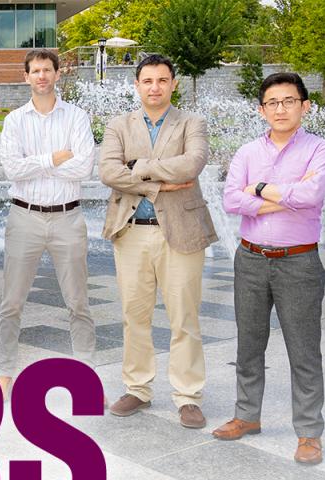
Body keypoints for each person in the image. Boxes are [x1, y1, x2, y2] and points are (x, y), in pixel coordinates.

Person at [216, 72, 325, 465]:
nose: (280, 109)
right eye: (272, 102)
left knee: (304, 350)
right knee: (249, 345)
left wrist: (261, 190)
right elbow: (231, 200)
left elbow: (312, 193)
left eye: (289, 101)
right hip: (250, 258)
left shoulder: (321, 150)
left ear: (305, 106)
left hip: (299, 262)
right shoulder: (248, 152)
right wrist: (285, 196)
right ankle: (247, 415)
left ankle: (308, 433)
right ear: (261, 109)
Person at [98, 54, 217, 429]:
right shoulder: (119, 125)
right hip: (131, 231)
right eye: (147, 81)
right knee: (135, 317)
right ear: (137, 85)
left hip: (180, 233)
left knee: (185, 318)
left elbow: (192, 163)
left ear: (173, 83)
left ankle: (188, 396)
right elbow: (108, 171)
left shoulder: (191, 123)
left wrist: (141, 168)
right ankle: (138, 388)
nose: (155, 87)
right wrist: (162, 182)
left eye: (162, 80)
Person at [0, 49, 97, 400]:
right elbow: (12, 169)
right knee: (11, 302)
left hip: (68, 218)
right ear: (26, 77)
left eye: (47, 70)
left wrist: (34, 163)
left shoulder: (77, 117)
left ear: (57, 74)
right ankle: (6, 372)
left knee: (78, 302)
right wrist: (55, 157)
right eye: (35, 70)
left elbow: (84, 168)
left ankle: (86, 375)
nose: (41, 76)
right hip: (24, 217)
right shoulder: (15, 121)